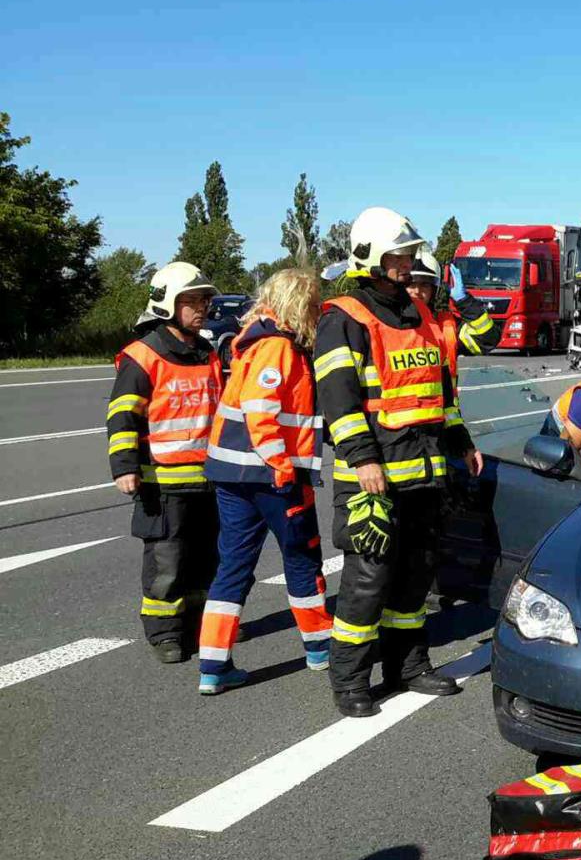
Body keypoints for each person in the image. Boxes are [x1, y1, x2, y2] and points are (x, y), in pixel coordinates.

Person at [313, 206, 481, 717]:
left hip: (425, 471)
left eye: (409, 255)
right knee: (368, 583)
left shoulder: (420, 314)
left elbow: (441, 394)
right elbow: (338, 400)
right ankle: (349, 682)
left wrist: (460, 440)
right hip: (374, 476)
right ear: (370, 257)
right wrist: (363, 459)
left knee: (414, 577)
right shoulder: (344, 318)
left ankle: (408, 666)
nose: (408, 264)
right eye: (399, 256)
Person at [194, 269, 334, 695]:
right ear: (298, 303)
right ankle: (320, 647)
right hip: (270, 475)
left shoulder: (255, 340)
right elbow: (262, 412)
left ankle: (213, 665)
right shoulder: (278, 347)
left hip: (231, 474)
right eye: (312, 304)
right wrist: (283, 468)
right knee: (302, 557)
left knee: (233, 566)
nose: (316, 313)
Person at [107, 262, 223, 663]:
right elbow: (123, 415)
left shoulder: (206, 351)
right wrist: (125, 466)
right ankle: (165, 633)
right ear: (166, 304)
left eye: (203, 300)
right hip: (163, 482)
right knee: (167, 562)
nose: (201, 308)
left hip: (208, 479)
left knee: (206, 558)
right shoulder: (143, 355)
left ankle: (200, 626)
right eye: (190, 301)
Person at [407, 251, 501, 380]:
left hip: (441, 401)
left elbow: (488, 339)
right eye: (411, 285)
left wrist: (464, 301)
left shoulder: (446, 326)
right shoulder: (384, 322)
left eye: (424, 285)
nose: (417, 291)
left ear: (435, 290)